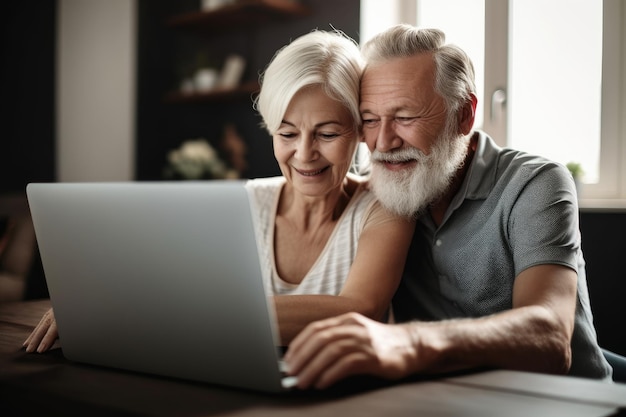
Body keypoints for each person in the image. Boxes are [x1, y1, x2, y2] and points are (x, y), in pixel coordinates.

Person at [23, 30, 415, 353]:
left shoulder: (385, 208)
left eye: (327, 133)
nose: (305, 153)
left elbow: (358, 309)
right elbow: (169, 280)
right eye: (287, 133)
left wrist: (170, 314)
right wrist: (102, 302)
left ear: (360, 132)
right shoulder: (246, 201)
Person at [284, 24, 613, 389]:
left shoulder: (535, 183)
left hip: (566, 402)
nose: (383, 142)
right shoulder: (378, 193)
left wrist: (411, 342)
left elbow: (550, 336)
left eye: (405, 117)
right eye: (370, 120)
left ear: (464, 115)